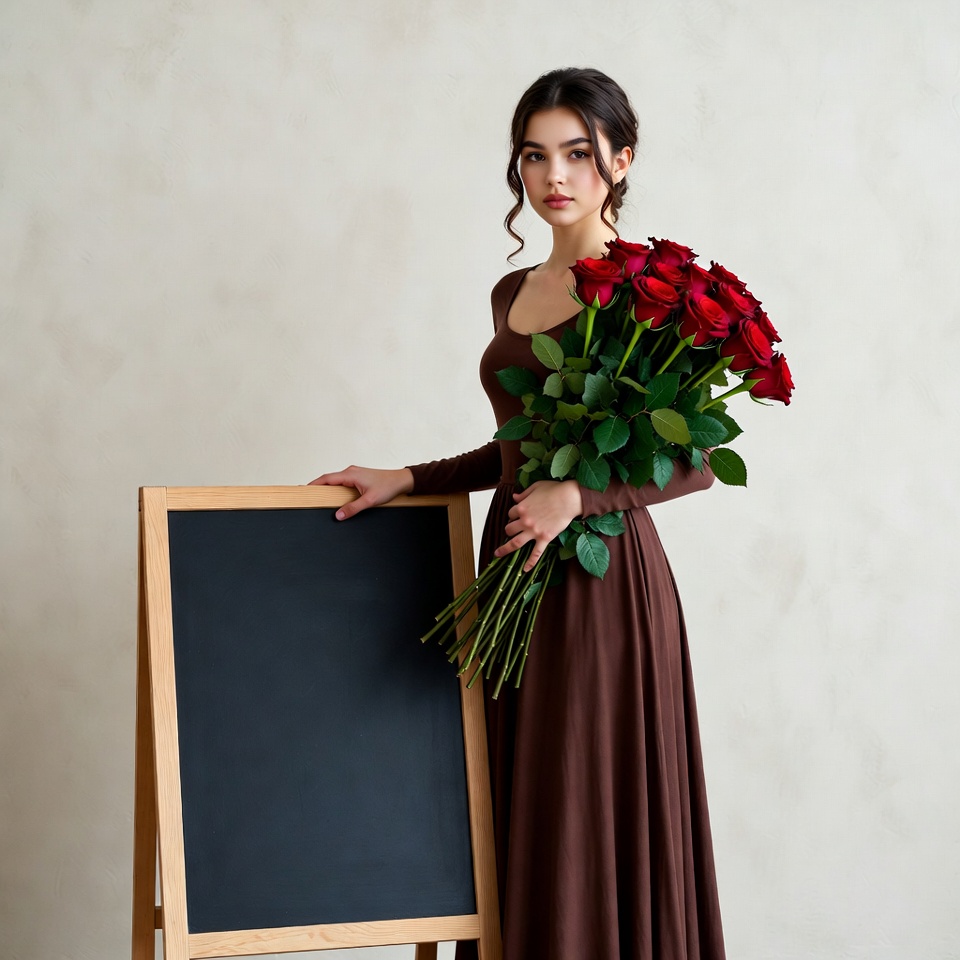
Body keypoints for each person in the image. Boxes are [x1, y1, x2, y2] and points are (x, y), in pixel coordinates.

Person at [312, 67, 726, 960]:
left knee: (584, 793)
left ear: (620, 159)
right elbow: (514, 451)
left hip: (603, 584)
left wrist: (581, 494)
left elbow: (694, 462)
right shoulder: (512, 295)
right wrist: (408, 477)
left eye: (578, 153)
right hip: (515, 567)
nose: (555, 176)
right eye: (535, 156)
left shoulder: (654, 292)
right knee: (519, 798)